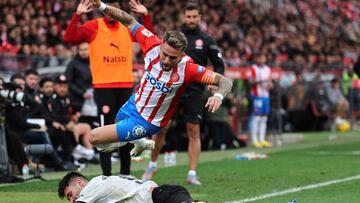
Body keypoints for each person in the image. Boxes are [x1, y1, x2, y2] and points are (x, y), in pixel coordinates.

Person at [86, 0, 232, 169]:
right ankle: (139, 142)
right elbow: (128, 20)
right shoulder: (151, 43)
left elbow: (225, 81)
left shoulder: (189, 69)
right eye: (165, 54)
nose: (166, 60)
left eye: (173, 57)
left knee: (94, 138)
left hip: (148, 122)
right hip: (133, 104)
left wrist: (218, 96)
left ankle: (137, 142)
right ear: (161, 44)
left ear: (181, 54)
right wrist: (102, 6)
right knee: (112, 133)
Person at [63, 0, 155, 176]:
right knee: (105, 131)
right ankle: (106, 175)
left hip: (125, 86)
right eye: (108, 8)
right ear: (102, 10)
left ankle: (126, 173)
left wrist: (145, 16)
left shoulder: (128, 25)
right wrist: (77, 15)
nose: (112, 12)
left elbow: (147, 37)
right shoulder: (93, 27)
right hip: (103, 87)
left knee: (127, 128)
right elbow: (69, 38)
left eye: (116, 8)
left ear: (119, 10)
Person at [142, 2, 225, 185]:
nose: (191, 20)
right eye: (188, 16)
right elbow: (155, 45)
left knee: (193, 129)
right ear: (183, 17)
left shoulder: (207, 40)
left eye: (195, 16)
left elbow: (219, 65)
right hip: (171, 89)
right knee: (161, 128)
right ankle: (152, 165)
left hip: (194, 91)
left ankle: (192, 173)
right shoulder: (175, 38)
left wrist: (216, 87)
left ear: (200, 17)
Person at [58, 171, 194, 203]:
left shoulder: (92, 186)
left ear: (80, 183)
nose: (72, 200)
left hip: (162, 197)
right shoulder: (100, 191)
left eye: (70, 194)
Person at [248, 52, 273, 148]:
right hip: (257, 96)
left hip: (266, 96)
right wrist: (261, 81)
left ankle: (262, 139)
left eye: (264, 57)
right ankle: (254, 140)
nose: (263, 60)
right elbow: (250, 81)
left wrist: (270, 84)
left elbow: (270, 82)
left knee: (264, 118)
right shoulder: (253, 68)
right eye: (261, 58)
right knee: (257, 117)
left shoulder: (267, 69)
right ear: (257, 59)